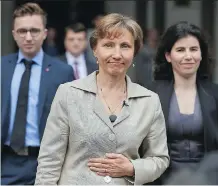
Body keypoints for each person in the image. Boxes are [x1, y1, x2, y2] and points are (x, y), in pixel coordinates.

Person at [35, 13, 169, 185]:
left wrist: (132, 168)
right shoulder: (68, 94)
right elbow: (49, 161)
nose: (117, 54)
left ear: (134, 52)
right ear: (95, 50)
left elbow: (160, 159)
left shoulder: (149, 101)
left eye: (125, 46)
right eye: (108, 45)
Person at [1, 3, 74, 185]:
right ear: (14, 34)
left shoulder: (62, 72)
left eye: (34, 31)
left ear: (45, 33)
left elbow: (72, 121)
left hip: (45, 164)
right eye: (22, 31)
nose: (28, 37)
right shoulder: (1, 67)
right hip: (5, 162)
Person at [149, 21, 218, 184]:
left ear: (201, 54)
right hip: (164, 179)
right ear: (168, 56)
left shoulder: (215, 94)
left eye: (193, 49)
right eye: (180, 50)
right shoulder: (152, 95)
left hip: (209, 177)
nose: (188, 56)